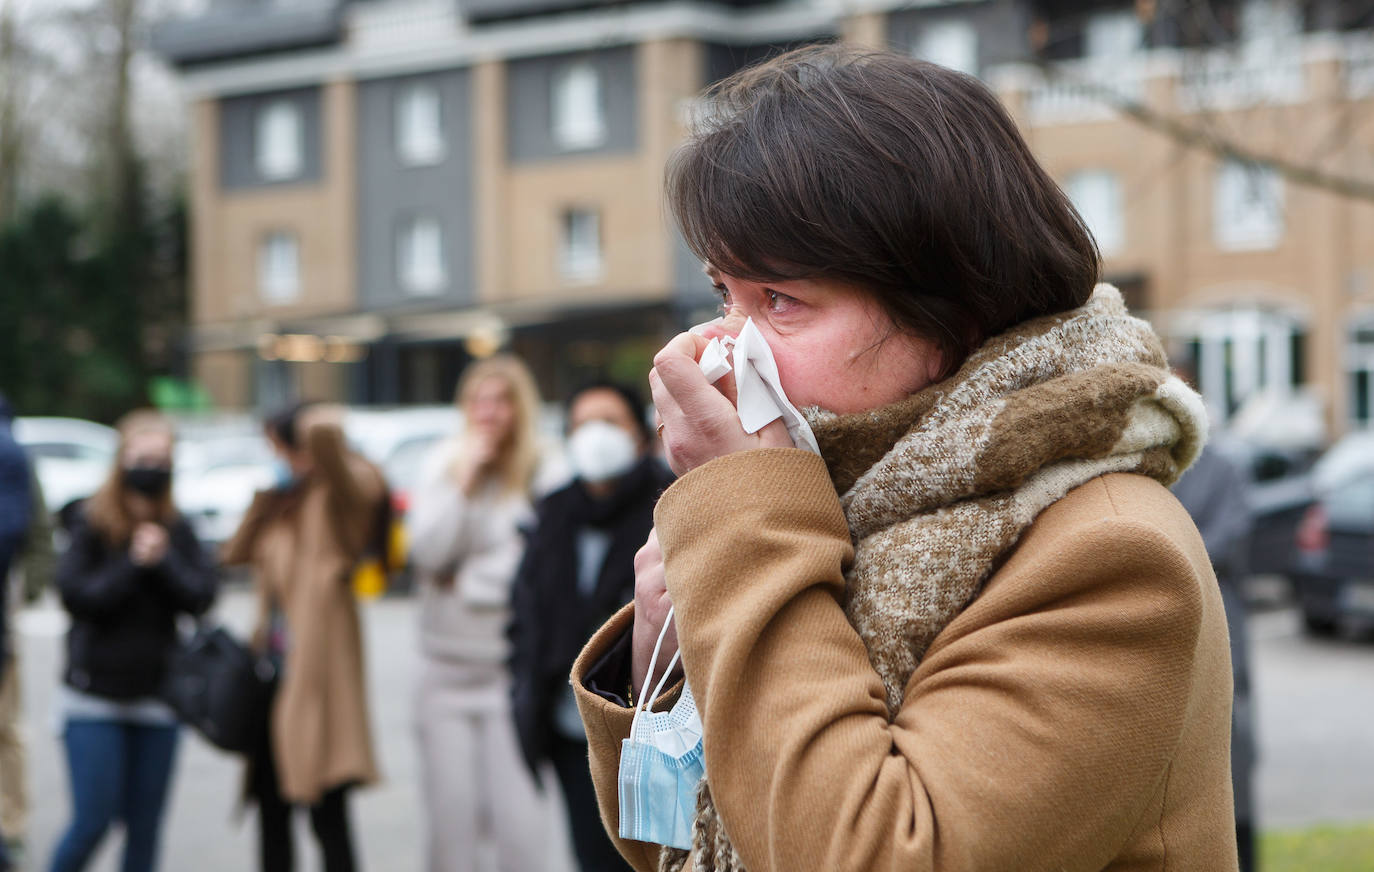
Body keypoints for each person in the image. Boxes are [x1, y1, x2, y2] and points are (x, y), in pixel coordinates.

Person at [570, 45, 1238, 872]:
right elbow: (669, 843)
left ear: (950, 309)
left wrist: (743, 526)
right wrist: (663, 658)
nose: (721, 348)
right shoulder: (835, 498)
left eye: (779, 299)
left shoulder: (1111, 555)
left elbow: (869, 853)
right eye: (722, 295)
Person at [407, 355, 568, 872]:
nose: (488, 411)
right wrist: (465, 481)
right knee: (450, 824)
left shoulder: (545, 468)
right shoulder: (445, 463)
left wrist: (466, 579)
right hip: (444, 670)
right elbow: (426, 553)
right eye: (478, 400)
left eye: (501, 400)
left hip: (511, 674)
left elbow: (541, 569)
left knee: (519, 825)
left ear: (521, 407)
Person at [509, 381, 673, 872]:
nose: (594, 435)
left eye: (609, 421)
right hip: (569, 730)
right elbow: (525, 615)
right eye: (582, 424)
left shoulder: (671, 503)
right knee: (590, 856)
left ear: (639, 434)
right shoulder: (552, 512)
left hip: (651, 733)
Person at [49, 409, 217, 872]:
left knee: (144, 832)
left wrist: (163, 561)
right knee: (92, 822)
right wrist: (131, 563)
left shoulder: (177, 527)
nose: (152, 469)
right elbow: (77, 597)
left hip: (158, 698)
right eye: (143, 458)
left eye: (161, 460)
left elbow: (201, 597)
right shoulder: (89, 521)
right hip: (94, 698)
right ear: (121, 460)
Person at [222, 402, 385, 872]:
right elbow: (234, 554)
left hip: (319, 681)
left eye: (279, 446)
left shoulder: (340, 496)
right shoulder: (283, 501)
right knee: (271, 811)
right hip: (271, 678)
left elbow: (352, 477)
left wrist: (317, 435)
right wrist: (266, 498)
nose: (276, 457)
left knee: (327, 813)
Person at [1172, 427, 1257, 872]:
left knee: (1233, 743)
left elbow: (1233, 532)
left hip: (1223, 621)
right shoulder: (1153, 466)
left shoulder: (1224, 468)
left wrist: (1167, 555)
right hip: (1170, 629)